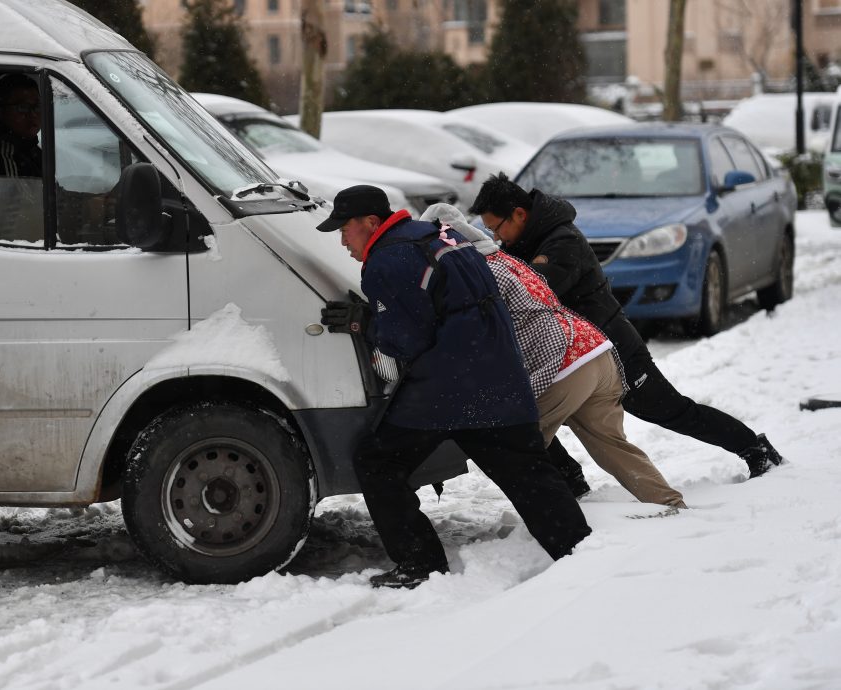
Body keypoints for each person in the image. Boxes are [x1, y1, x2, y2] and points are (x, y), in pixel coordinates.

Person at [318, 185, 591, 590]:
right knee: (528, 471)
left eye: (345, 229)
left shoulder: (387, 260)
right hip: (500, 372)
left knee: (378, 463)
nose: (342, 240)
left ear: (372, 223)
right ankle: (583, 554)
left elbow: (403, 341)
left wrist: (365, 323)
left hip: (447, 387)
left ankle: (420, 563)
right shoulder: (443, 236)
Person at [468, 174, 784, 490]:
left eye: (497, 228)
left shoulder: (561, 242)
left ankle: (755, 448)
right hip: (575, 350)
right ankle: (570, 482)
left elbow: (533, 292)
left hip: (613, 346)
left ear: (520, 214)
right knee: (530, 413)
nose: (497, 237)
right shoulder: (526, 240)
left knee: (670, 410)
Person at [421, 203, 685, 508]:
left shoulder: (472, 272)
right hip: (595, 349)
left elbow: (472, 335)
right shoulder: (502, 258)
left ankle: (562, 527)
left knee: (513, 444)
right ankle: (670, 504)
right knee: (612, 447)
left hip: (563, 365)